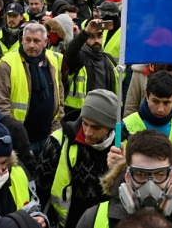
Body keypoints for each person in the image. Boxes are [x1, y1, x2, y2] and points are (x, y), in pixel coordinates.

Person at [77, 129, 172, 227]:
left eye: (160, 174)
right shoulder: (94, 219)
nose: (150, 186)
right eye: (141, 174)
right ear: (127, 175)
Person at [35, 89, 125, 228]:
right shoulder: (58, 142)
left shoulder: (124, 148)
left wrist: (122, 169)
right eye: (85, 123)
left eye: (96, 127)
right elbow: (40, 190)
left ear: (110, 127)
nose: (88, 132)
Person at [0, 22, 64, 155]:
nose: (31, 45)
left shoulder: (53, 61)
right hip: (20, 141)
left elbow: (59, 98)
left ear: (45, 42)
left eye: (36, 41)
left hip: (47, 137)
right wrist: (16, 134)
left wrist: (55, 128)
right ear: (22, 40)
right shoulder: (7, 64)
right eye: (27, 40)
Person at [122, 71, 172, 148]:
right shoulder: (126, 125)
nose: (160, 109)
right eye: (155, 101)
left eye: (166, 103)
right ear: (146, 95)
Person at [64, 19, 118, 112]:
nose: (96, 40)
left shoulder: (109, 59)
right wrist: (85, 32)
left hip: (105, 111)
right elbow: (70, 51)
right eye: (91, 37)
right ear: (85, 40)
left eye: (99, 36)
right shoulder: (80, 58)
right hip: (79, 114)